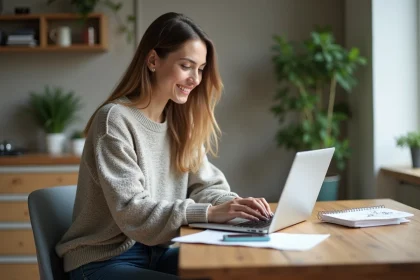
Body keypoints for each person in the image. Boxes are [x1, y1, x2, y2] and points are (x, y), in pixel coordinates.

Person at [56, 12, 273, 280]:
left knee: (236, 269)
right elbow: (133, 213)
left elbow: (206, 187)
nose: (195, 79)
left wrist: (239, 208)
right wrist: (210, 213)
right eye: (186, 66)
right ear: (152, 61)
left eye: (201, 69)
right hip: (103, 260)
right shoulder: (114, 120)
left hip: (158, 251)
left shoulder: (181, 121)